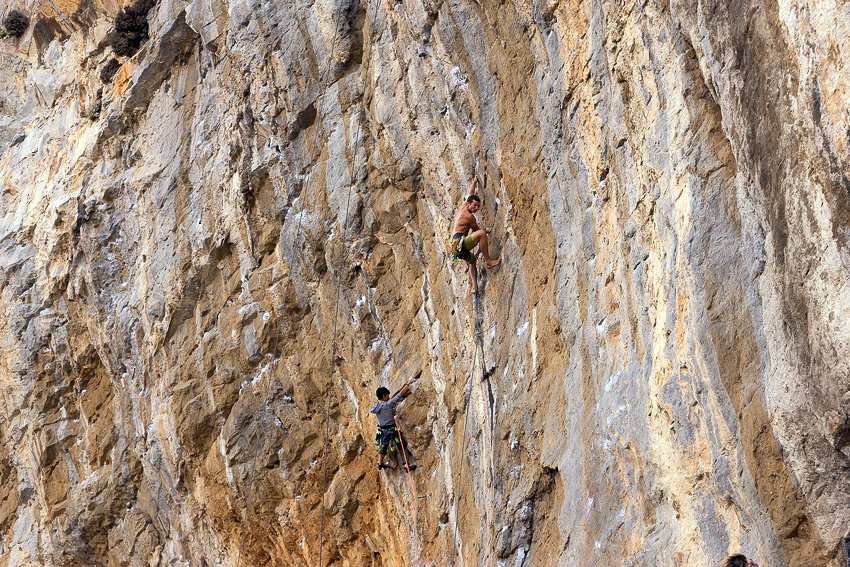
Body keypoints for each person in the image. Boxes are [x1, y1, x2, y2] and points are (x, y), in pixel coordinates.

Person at [449, 177, 500, 294]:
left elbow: (469, 194)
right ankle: (488, 261)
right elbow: (478, 231)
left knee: (472, 260)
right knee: (481, 234)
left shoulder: (464, 206)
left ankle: (474, 287)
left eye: (478, 206)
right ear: (469, 205)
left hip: (456, 247)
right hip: (459, 244)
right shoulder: (469, 216)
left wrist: (474, 182)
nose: (476, 208)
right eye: (475, 206)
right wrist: (486, 231)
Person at [371, 375, 418, 471]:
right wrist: (408, 383)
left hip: (382, 431)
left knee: (383, 446)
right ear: (384, 395)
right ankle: (406, 465)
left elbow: (386, 412)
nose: (389, 397)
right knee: (401, 445)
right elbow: (400, 395)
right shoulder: (388, 404)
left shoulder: (376, 407)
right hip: (393, 430)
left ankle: (380, 463)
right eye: (387, 395)